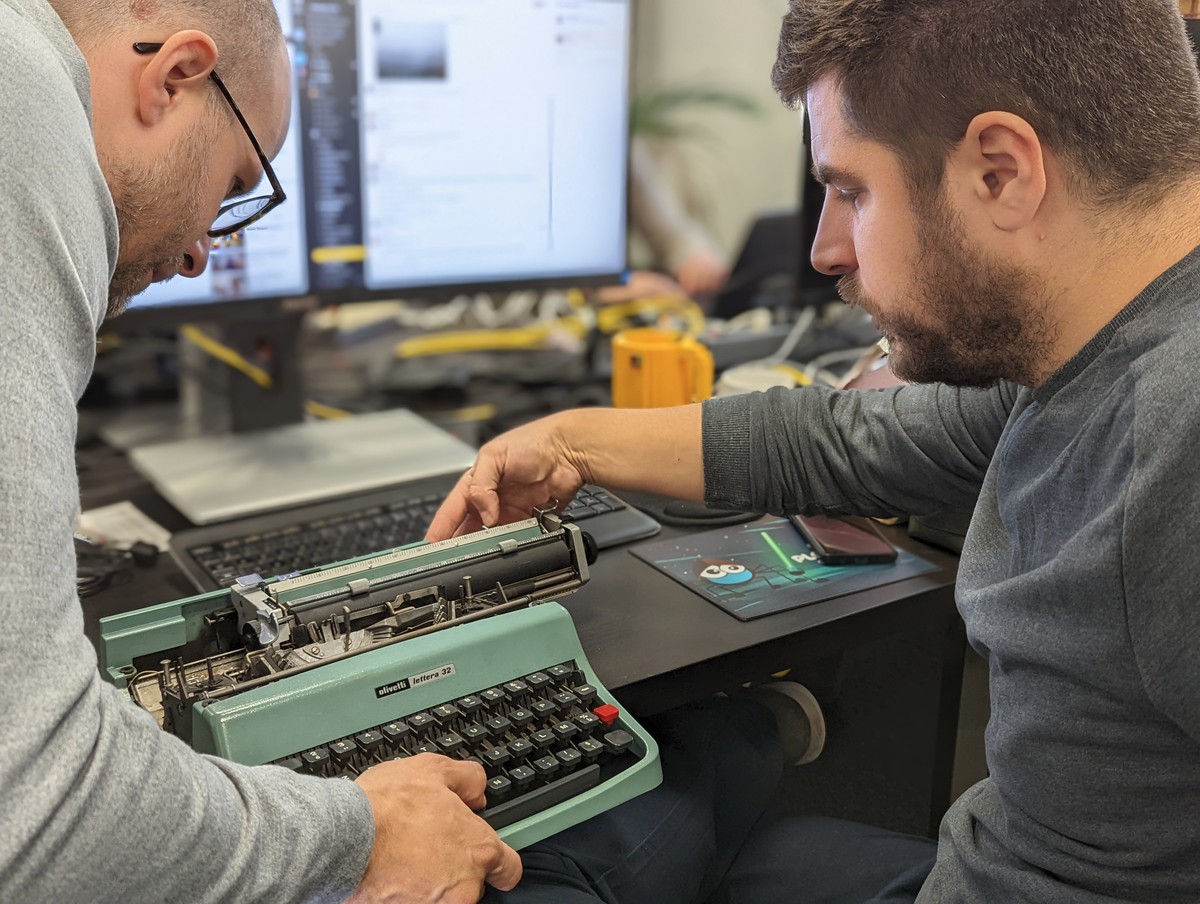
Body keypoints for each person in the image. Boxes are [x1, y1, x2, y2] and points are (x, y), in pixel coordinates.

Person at [2, 2, 829, 902]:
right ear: (174, 78)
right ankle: (742, 745)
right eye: (239, 179)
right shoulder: (25, 128)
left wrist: (577, 439)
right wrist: (356, 837)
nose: (207, 249)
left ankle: (739, 745)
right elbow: (44, 805)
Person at [430, 1, 1200, 901]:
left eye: (853, 191)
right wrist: (571, 440)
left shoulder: (1173, 434)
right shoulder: (1082, 343)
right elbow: (852, 438)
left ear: (1001, 172)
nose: (826, 247)